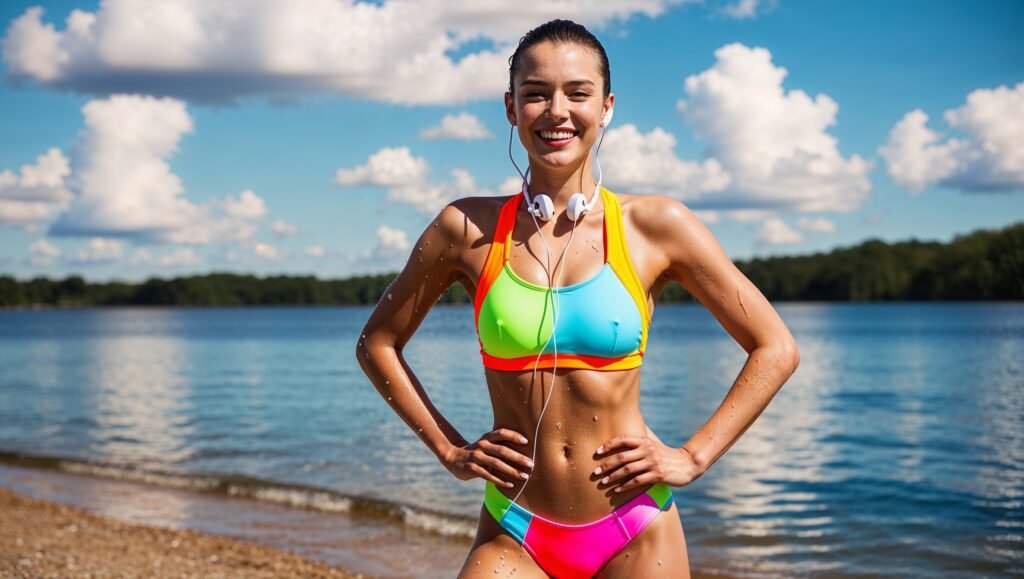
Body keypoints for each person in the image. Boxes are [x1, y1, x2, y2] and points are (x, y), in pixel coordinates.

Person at [356, 19, 799, 579]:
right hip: (514, 525)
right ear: (511, 109)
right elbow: (377, 343)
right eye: (536, 93)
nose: (557, 111)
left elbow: (775, 347)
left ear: (607, 106)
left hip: (634, 525)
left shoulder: (656, 226)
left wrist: (693, 455)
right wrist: (450, 450)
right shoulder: (464, 228)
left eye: (578, 93)